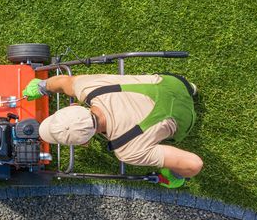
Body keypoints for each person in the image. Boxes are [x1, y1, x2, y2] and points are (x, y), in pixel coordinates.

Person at [22, 73, 202, 188]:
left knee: (177, 169)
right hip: (174, 83)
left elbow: (194, 164)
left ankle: (175, 176)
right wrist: (42, 86)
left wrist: (175, 175)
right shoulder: (89, 88)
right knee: (179, 86)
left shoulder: (128, 150)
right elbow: (63, 82)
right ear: (75, 106)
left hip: (185, 119)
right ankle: (191, 88)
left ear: (85, 142)